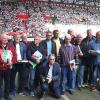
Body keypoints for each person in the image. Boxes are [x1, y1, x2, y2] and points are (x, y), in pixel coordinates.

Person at [0, 34, 17, 100]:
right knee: (0, 84)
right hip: (0, 68)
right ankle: (0, 96)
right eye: (4, 38)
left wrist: (12, 62)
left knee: (7, 83)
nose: (5, 39)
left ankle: (6, 95)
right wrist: (3, 62)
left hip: (8, 68)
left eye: (6, 38)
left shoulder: (11, 46)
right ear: (1, 39)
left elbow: (15, 56)